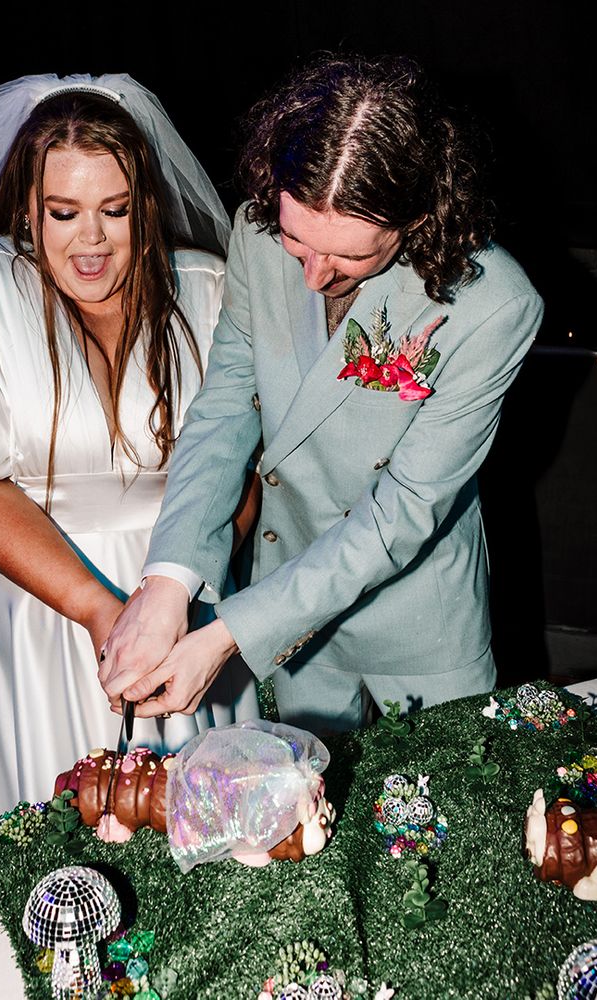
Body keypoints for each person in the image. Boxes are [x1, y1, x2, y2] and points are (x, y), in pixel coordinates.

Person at [0, 74, 259, 836]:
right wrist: (101, 610)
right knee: (47, 836)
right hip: (27, 602)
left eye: (114, 211)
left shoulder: (209, 291)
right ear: (28, 209)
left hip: (183, 597)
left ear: (147, 206)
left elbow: (240, 473)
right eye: (64, 213)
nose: (90, 240)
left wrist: (181, 597)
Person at [101, 54, 544, 734]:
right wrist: (168, 578)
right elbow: (224, 411)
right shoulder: (255, 236)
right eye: (297, 240)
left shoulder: (495, 303)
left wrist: (226, 635)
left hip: (418, 624)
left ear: (419, 216)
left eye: (347, 258)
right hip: (291, 607)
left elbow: (402, 513)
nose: (311, 276)